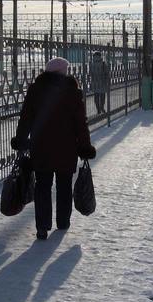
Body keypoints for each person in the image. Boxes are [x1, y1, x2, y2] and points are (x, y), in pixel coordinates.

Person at [12, 57, 95, 240]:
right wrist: (85, 147)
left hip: (40, 147)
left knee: (42, 186)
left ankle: (42, 227)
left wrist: (20, 140)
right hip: (67, 148)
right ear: (64, 72)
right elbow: (81, 123)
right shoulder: (72, 92)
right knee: (64, 186)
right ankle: (63, 222)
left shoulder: (35, 90)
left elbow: (25, 118)